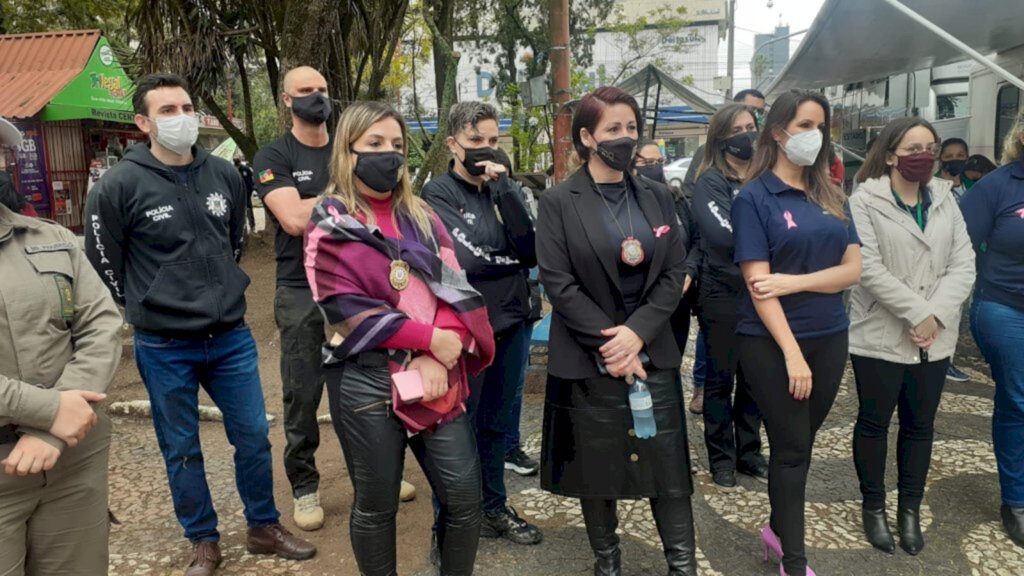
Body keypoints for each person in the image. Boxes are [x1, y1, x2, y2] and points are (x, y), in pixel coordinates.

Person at [84, 73, 316, 576]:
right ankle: (203, 540)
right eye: (167, 110)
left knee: (254, 434)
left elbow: (234, 240)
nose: (182, 117)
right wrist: (147, 304)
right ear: (144, 122)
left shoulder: (225, 175)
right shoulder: (119, 184)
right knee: (182, 447)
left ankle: (263, 526)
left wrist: (219, 289)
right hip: (164, 343)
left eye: (186, 106)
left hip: (229, 336)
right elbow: (104, 260)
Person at [304, 101, 495, 576]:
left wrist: (440, 347)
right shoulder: (329, 220)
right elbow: (340, 304)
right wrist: (427, 339)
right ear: (348, 151)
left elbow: (456, 285)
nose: (388, 154)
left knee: (464, 498)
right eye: (374, 144)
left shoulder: (423, 216)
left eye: (396, 145)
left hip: (435, 374)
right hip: (367, 379)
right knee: (377, 505)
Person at [537, 86, 697, 575]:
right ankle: (607, 563)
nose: (625, 138)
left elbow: (675, 271)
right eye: (613, 129)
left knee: (667, 467)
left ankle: (682, 564)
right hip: (590, 355)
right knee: (597, 469)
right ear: (587, 137)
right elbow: (559, 285)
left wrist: (638, 335)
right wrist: (614, 341)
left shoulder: (656, 195)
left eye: (631, 128)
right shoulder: (559, 202)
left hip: (651, 349)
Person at [253, 67, 415, 532]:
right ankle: (304, 485)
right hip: (301, 286)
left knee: (370, 383)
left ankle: (380, 475)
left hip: (364, 281)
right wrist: (352, 195)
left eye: (322, 89)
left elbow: (387, 204)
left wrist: (329, 202)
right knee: (303, 391)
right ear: (286, 100)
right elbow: (292, 218)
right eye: (305, 91)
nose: (316, 97)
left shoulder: (349, 143)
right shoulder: (275, 154)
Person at [731, 90, 862, 576]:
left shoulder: (830, 195)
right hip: (772, 342)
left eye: (820, 125)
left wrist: (797, 282)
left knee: (802, 444)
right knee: (790, 450)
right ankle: (794, 560)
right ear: (777, 132)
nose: (815, 135)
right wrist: (792, 354)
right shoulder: (754, 198)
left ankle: (776, 529)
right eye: (804, 125)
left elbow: (853, 270)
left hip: (831, 334)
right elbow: (759, 288)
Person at [848, 117, 975, 556]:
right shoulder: (864, 200)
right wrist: (918, 312)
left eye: (930, 147)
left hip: (934, 339)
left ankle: (910, 508)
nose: (923, 155)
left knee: (920, 426)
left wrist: (935, 316)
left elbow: (964, 263)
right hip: (881, 332)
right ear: (889, 155)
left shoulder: (945, 198)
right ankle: (874, 506)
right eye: (912, 147)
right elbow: (866, 267)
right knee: (874, 422)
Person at [0, 118, 121, 576]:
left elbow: (100, 323)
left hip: (73, 459)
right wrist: (48, 411)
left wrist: (53, 429)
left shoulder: (50, 238)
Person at [421, 101, 543, 547]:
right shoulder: (437, 194)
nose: (486, 150)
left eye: (493, 141)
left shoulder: (505, 189)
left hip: (512, 321)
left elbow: (530, 252)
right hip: (465, 329)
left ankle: (493, 507)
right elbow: (465, 259)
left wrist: (506, 189)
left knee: (496, 425)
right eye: (475, 141)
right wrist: (506, 259)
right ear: (453, 143)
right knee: (457, 429)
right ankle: (450, 523)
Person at [692, 103, 769, 490]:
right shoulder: (710, 181)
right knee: (721, 380)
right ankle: (721, 457)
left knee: (754, 378)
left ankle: (749, 452)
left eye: (751, 126)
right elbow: (721, 234)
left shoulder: (765, 177)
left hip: (762, 293)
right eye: (737, 128)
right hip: (721, 293)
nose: (746, 134)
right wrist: (767, 245)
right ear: (721, 137)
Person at [960, 108, 1024, 549]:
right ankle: (1016, 501)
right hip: (1004, 308)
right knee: (1019, 399)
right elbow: (959, 247)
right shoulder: (997, 187)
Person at [634, 139, 705, 415]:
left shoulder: (676, 199)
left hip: (678, 299)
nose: (653, 168)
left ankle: (667, 415)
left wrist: (689, 271)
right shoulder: (628, 201)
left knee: (670, 361)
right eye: (645, 163)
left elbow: (697, 241)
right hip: (642, 300)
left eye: (658, 163)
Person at [934, 137, 973, 383]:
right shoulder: (933, 185)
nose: (955, 160)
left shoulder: (974, 185)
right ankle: (942, 360)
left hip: (966, 253)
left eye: (961, 155)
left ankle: (948, 357)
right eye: (949, 156)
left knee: (958, 307)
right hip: (940, 254)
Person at [682, 89, 767, 198]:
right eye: (753, 109)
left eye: (760, 111)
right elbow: (689, 192)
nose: (756, 114)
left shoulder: (763, 150)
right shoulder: (708, 154)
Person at [233, 157, 256, 231]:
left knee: (248, 208)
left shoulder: (246, 169)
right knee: (240, 210)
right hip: (239, 193)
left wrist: (250, 190)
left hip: (247, 192)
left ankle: (252, 225)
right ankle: (243, 226)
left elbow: (251, 180)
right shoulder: (234, 170)